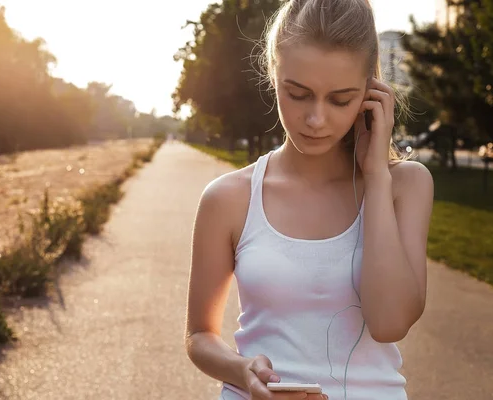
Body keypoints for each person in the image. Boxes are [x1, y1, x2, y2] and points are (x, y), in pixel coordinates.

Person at [184, 1, 434, 399]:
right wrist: (241, 368)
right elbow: (200, 335)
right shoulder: (228, 198)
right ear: (273, 73)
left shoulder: (406, 185)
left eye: (340, 100)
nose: (316, 119)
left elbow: (389, 323)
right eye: (298, 94)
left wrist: (375, 176)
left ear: (372, 93)